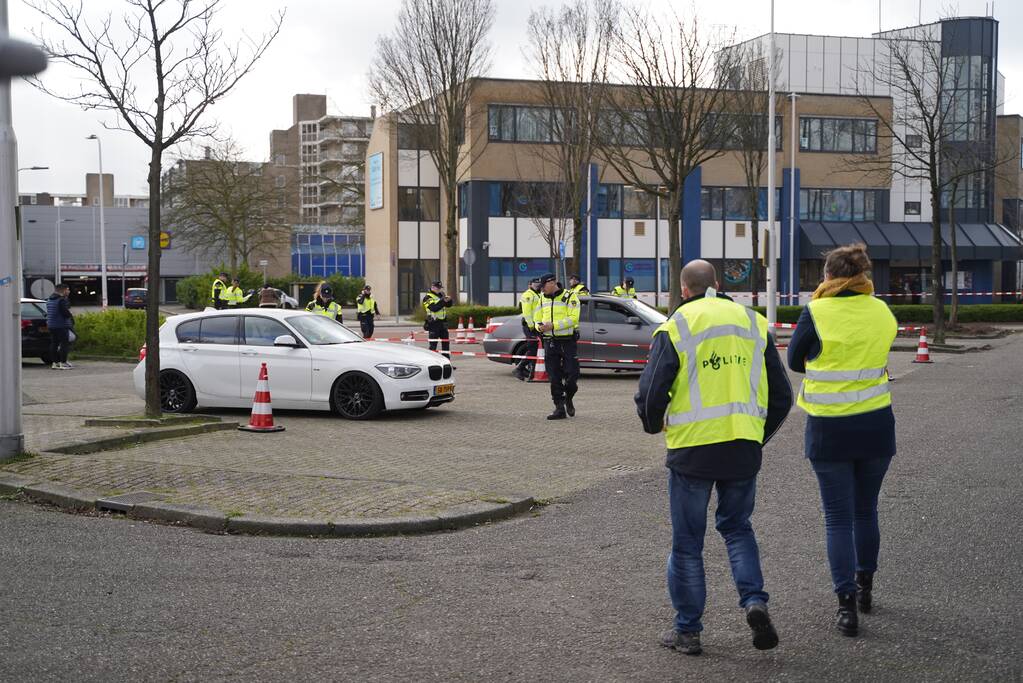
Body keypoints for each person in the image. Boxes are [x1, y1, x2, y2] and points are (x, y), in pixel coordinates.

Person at [635, 259, 792, 656]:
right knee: (738, 529)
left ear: (684, 289)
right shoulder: (754, 323)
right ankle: (755, 601)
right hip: (741, 448)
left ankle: (688, 631)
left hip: (693, 451)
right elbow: (782, 396)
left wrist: (654, 425)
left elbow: (652, 391)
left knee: (687, 543)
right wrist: (755, 436)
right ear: (718, 284)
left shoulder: (678, 325)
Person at [787, 243, 898, 638]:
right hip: (876, 425)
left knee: (837, 517)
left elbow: (795, 360)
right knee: (866, 511)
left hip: (830, 428)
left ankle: (846, 605)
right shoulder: (882, 310)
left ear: (830, 276)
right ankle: (866, 588)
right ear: (862, 276)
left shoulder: (816, 311)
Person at [533, 273, 581, 419]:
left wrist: (554, 325)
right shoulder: (541, 298)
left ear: (552, 283)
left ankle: (569, 397)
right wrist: (538, 327)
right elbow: (537, 318)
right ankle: (559, 408)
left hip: (567, 342)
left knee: (572, 375)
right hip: (550, 342)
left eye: (543, 286)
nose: (541, 289)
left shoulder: (570, 296)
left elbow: (574, 319)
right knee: (554, 377)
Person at [514, 277, 542, 381]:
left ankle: (531, 373)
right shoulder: (528, 295)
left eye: (538, 283)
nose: (537, 285)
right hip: (530, 326)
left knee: (534, 350)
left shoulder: (537, 294)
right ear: (530, 285)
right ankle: (519, 369)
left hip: (536, 326)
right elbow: (527, 312)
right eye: (535, 284)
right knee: (532, 350)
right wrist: (531, 326)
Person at [46, 283, 75, 370]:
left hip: (51, 325)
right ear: (64, 290)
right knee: (64, 344)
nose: (69, 291)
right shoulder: (61, 300)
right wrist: (70, 315)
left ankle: (55, 363)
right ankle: (63, 362)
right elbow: (65, 313)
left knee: (54, 343)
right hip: (61, 325)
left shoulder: (49, 299)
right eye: (68, 290)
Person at [422, 280, 454, 360]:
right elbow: (434, 308)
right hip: (434, 323)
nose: (439, 290)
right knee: (433, 345)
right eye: (438, 288)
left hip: (443, 323)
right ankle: (432, 363)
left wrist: (449, 301)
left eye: (440, 288)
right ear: (432, 287)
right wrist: (443, 301)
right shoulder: (427, 297)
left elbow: (448, 305)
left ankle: (447, 363)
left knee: (446, 344)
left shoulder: (441, 295)